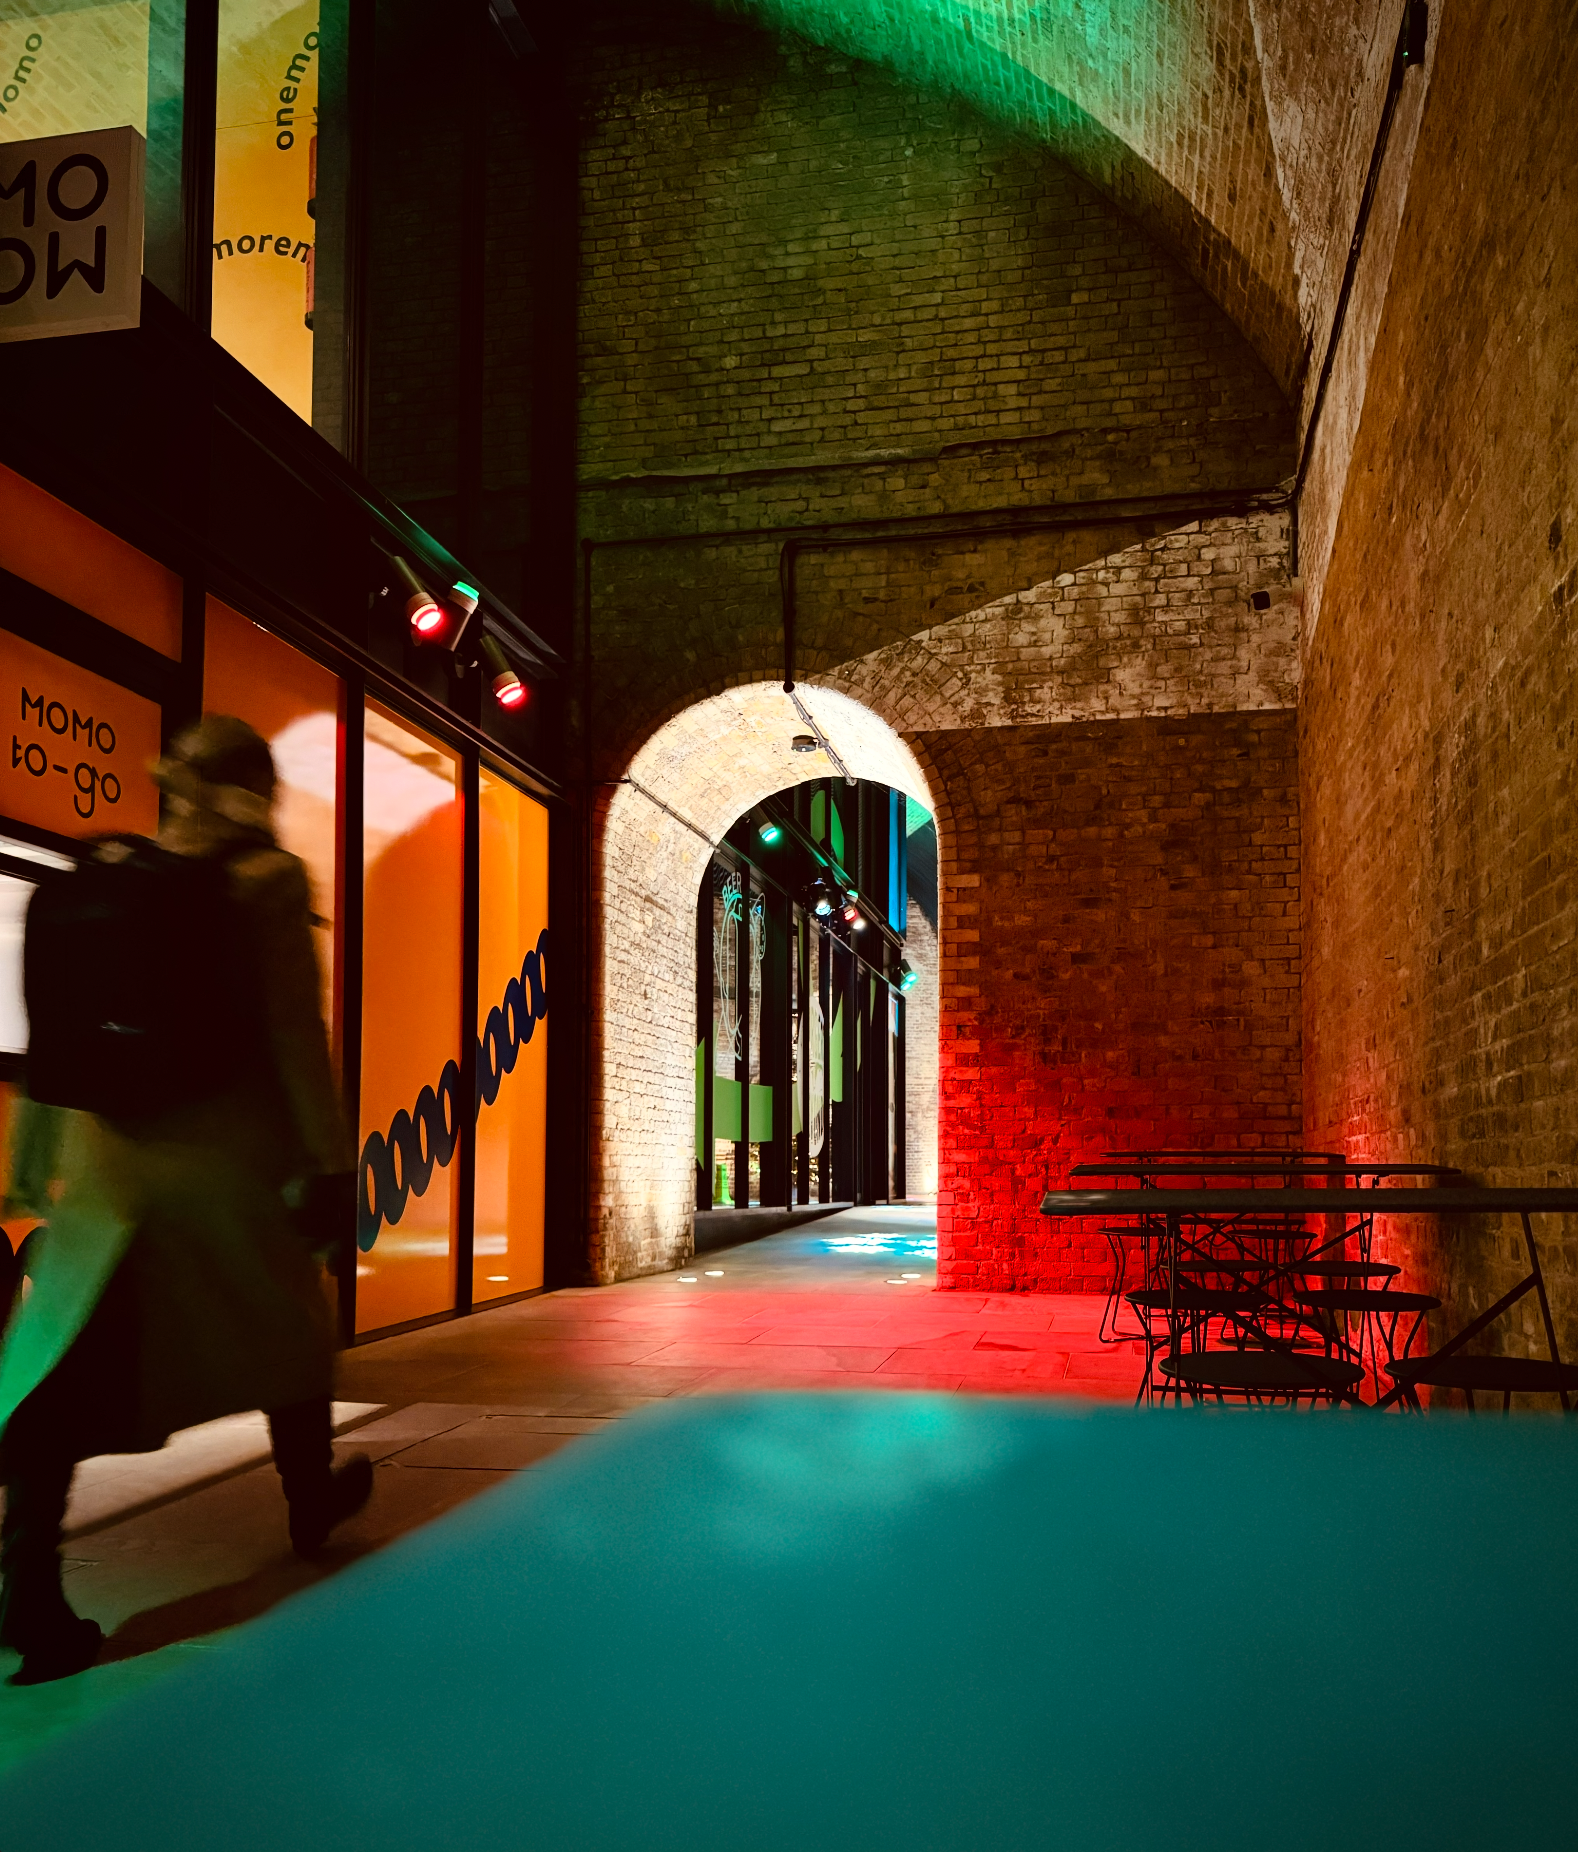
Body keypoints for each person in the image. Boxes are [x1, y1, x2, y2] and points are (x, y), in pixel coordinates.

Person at [0, 716, 369, 1686]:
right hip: (225, 1167)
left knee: (69, 1369)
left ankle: (28, 1579)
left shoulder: (108, 882)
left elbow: (53, 1039)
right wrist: (331, 1163)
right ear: (255, 793)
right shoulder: (266, 884)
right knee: (290, 1329)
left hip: (110, 1165)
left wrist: (31, 1163)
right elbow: (297, 1034)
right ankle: (311, 1499)